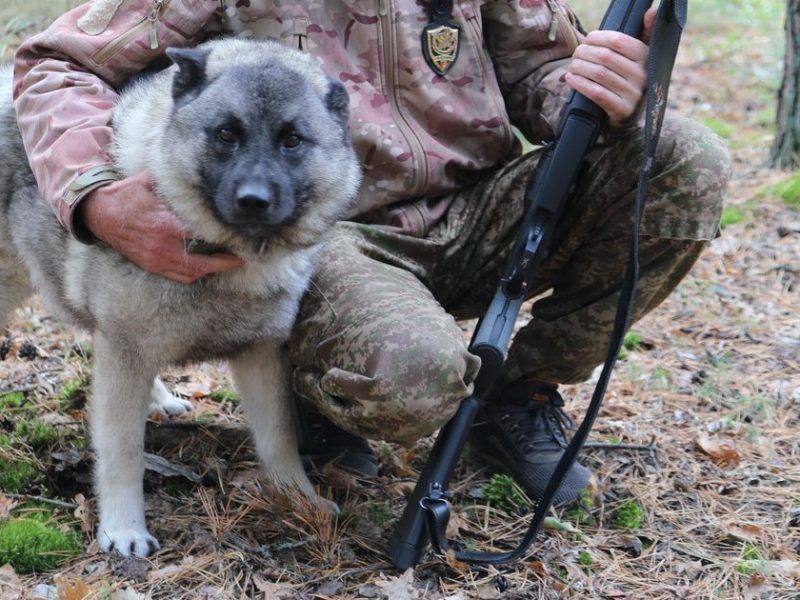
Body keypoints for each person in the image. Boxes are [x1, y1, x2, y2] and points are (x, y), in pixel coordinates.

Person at [13, 0, 730, 506]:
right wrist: (95, 194)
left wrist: (609, 89)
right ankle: (319, 391)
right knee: (412, 378)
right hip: (323, 233)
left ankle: (518, 395)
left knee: (683, 159)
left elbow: (542, 76)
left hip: (478, 208)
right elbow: (55, 64)